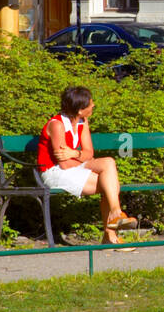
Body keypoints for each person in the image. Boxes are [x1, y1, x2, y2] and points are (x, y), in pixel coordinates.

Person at [37, 86, 136, 248]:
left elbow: (89, 152)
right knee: (108, 184)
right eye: (90, 104)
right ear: (80, 110)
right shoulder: (57, 125)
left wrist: (75, 153)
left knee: (109, 162)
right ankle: (111, 233)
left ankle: (116, 215)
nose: (93, 105)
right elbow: (64, 163)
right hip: (55, 172)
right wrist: (79, 156)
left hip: (75, 165)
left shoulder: (83, 121)